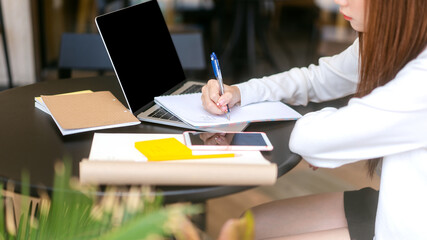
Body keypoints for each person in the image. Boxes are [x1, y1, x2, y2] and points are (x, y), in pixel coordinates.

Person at [202, 0, 427, 239]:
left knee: (241, 234)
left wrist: (330, 138)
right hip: (395, 203)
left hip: (409, 226)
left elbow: (309, 139)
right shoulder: (391, 41)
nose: (338, 1)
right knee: (249, 224)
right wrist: (239, 92)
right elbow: (317, 79)